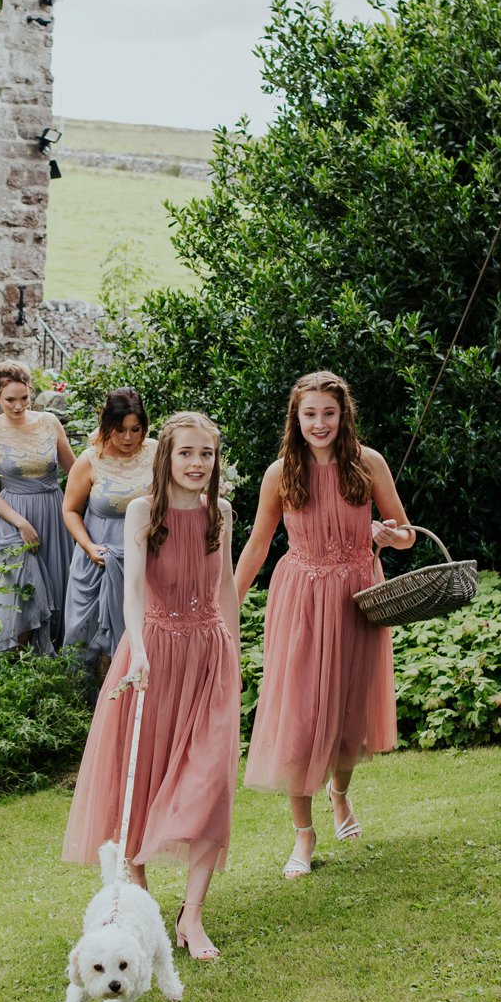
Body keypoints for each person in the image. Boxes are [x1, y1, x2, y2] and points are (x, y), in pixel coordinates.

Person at [62, 412, 239, 959]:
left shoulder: (221, 512)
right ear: (167, 457)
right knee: (138, 785)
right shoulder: (143, 510)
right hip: (153, 655)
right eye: (186, 452)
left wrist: (234, 653)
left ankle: (193, 915)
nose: (197, 463)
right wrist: (137, 649)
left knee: (210, 784)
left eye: (206, 454)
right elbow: (133, 590)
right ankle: (142, 901)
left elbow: (226, 585)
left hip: (209, 655)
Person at [233, 371, 415, 879]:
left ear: (343, 415)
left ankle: (339, 793)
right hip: (302, 599)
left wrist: (390, 536)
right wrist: (229, 602)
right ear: (295, 417)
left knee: (349, 713)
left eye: (328, 413)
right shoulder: (281, 473)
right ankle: (303, 833)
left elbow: (407, 534)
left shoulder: (368, 463)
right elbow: (258, 545)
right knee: (299, 718)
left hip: (358, 597)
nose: (319, 423)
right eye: (309, 414)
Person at [0, 360, 75, 651]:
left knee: (56, 581)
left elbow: (75, 470)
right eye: (10, 400)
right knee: (20, 591)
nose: (18, 406)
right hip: (13, 517)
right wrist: (19, 522)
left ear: (31, 391)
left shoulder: (49, 422)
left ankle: (54, 658)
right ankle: (15, 661)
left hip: (53, 512)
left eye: (24, 398)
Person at [61, 388, 155, 678]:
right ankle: (83, 700)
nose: (128, 438)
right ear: (107, 426)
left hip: (144, 558)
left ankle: (128, 696)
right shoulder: (90, 460)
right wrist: (89, 547)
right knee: (87, 637)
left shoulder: (156, 452)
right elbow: (70, 510)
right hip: (98, 559)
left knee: (137, 634)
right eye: (119, 430)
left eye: (135, 429)